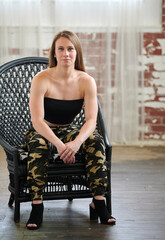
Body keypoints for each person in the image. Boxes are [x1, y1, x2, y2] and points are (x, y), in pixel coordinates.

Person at [24, 30, 116, 230]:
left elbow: (91, 120)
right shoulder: (41, 79)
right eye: (61, 49)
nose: (66, 53)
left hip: (69, 130)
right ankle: (36, 206)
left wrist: (76, 143)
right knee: (39, 146)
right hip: (43, 130)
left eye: (70, 49)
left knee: (96, 140)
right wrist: (59, 145)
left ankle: (99, 201)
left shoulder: (86, 81)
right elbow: (37, 120)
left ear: (77, 52)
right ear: (54, 53)